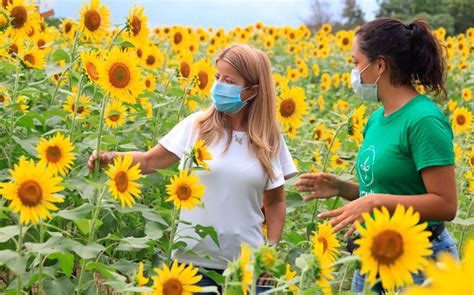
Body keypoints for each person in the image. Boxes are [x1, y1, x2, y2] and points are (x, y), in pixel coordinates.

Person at [88, 43, 297, 293]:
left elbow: (275, 202)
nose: (218, 85)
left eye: (229, 80)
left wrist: (270, 251)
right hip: (192, 266)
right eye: (218, 77)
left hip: (248, 269)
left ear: (252, 90)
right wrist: (111, 158)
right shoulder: (197, 127)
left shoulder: (269, 139)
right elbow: (149, 161)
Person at [295, 18, 458, 293]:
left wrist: (374, 202)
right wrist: (343, 188)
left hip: (421, 258)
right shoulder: (377, 120)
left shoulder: (423, 120)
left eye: (356, 63)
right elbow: (387, 189)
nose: (353, 72)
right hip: (375, 256)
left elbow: (445, 205)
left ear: (380, 66)